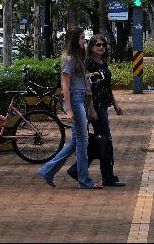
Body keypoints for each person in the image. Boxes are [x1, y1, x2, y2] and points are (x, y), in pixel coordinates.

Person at [37, 27, 103, 189]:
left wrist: (89, 76)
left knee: (77, 141)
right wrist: (69, 110)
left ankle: (47, 170)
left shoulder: (76, 58)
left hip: (79, 97)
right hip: (75, 100)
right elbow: (65, 86)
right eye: (82, 38)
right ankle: (84, 180)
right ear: (75, 40)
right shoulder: (68, 59)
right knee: (82, 142)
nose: (84, 41)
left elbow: (76, 79)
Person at [67, 34, 126, 187]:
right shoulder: (89, 63)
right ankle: (107, 176)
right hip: (95, 106)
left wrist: (116, 104)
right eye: (97, 44)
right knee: (105, 139)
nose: (101, 47)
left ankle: (77, 170)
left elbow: (107, 86)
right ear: (91, 47)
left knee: (100, 141)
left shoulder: (103, 63)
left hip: (103, 105)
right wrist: (91, 108)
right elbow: (88, 88)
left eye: (103, 45)